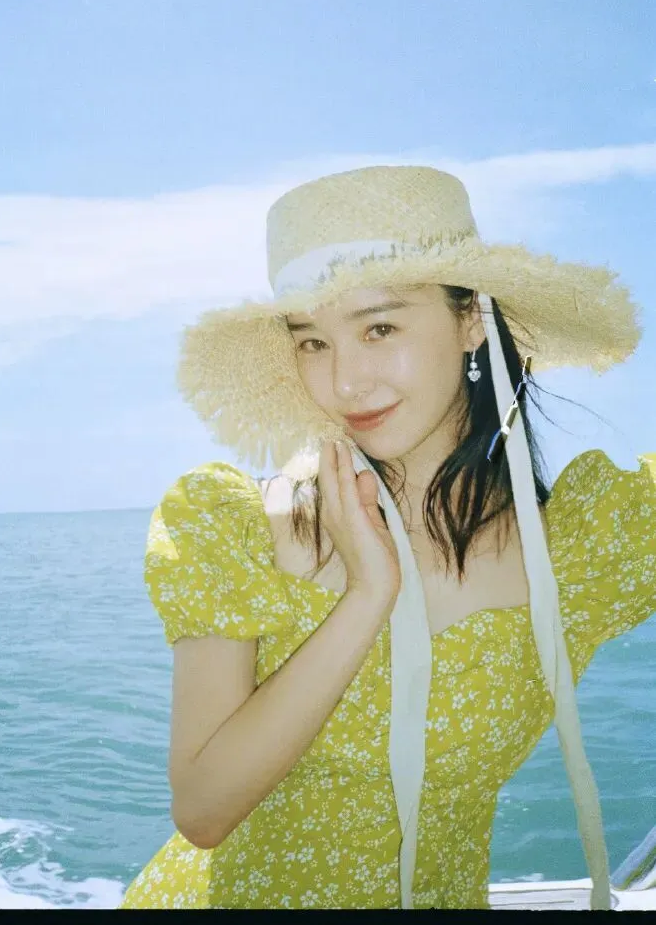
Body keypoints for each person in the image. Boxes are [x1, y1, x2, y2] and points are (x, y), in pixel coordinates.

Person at [118, 165, 655, 910]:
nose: (345, 383)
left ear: (472, 318)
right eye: (313, 342)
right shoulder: (244, 528)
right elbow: (203, 810)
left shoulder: (582, 544)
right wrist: (369, 594)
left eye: (379, 328)